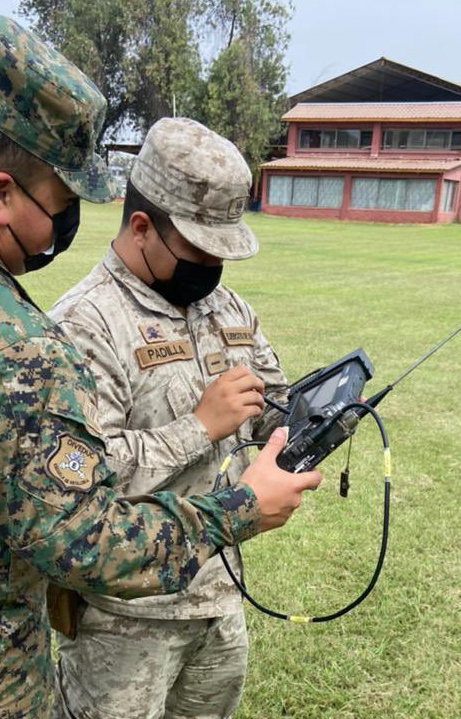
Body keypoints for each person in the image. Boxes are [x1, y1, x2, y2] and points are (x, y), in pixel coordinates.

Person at [0, 14, 321, 719]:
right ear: (1, 194)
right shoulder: (12, 342)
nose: (67, 226)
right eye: (63, 202)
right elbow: (89, 546)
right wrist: (240, 507)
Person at [49, 117, 291, 719]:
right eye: (199, 252)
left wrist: (317, 416)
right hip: (124, 620)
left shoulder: (227, 307)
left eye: (222, 253)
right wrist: (199, 427)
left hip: (219, 594)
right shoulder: (85, 324)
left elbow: (273, 404)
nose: (211, 269)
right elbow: (81, 482)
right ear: (141, 227)